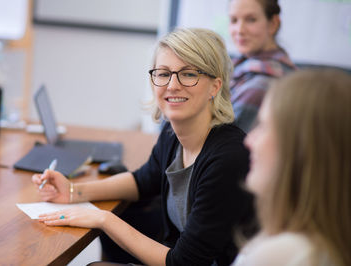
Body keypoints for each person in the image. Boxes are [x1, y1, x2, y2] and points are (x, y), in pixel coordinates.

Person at [32, 28, 254, 266]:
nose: (172, 85)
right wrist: (74, 191)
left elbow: (183, 263)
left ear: (214, 86)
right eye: (163, 73)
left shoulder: (228, 158)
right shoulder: (172, 134)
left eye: (189, 74)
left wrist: (104, 219)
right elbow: (143, 180)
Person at [232, 68, 351, 266]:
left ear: (301, 150)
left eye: (263, 125)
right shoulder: (323, 244)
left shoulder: (285, 254)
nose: (249, 140)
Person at [229, 0, 296, 132]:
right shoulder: (239, 65)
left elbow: (227, 144)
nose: (239, 30)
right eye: (234, 20)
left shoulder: (261, 85)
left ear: (273, 24)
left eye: (251, 20)